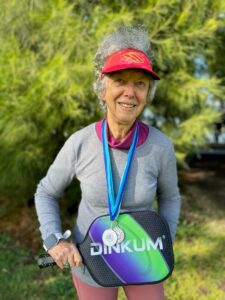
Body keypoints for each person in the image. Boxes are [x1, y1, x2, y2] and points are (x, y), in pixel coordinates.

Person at [35, 26, 181, 300]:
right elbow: (46, 192)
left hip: (144, 260)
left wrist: (165, 241)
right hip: (93, 262)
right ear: (103, 89)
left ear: (148, 93)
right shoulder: (80, 143)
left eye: (140, 83)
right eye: (120, 81)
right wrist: (54, 240)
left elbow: (170, 197)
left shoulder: (161, 146)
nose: (130, 92)